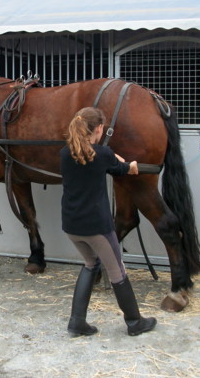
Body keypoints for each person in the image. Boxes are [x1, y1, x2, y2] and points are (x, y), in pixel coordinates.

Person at [60, 107, 156, 337]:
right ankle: (134, 322)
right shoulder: (102, 154)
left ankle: (77, 322)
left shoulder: (65, 153)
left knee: (90, 265)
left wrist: (112, 157)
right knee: (117, 272)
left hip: (72, 226)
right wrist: (129, 165)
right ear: (99, 129)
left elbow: (99, 159)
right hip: (97, 228)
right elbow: (124, 169)